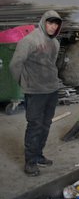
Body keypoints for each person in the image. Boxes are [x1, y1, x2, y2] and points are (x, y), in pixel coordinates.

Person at [9, 10, 63, 176]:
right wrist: (24, 83)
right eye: (50, 22)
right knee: (35, 125)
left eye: (56, 24)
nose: (53, 27)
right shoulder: (29, 40)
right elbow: (14, 65)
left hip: (51, 89)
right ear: (43, 22)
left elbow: (51, 64)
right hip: (35, 91)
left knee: (46, 124)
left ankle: (38, 155)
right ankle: (30, 162)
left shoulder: (55, 43)